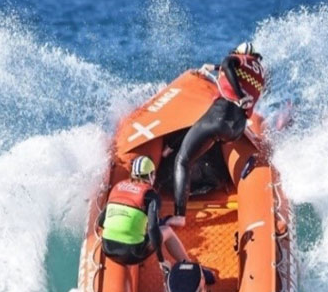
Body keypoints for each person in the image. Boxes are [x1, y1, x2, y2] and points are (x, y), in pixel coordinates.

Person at [169, 42, 265, 226]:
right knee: (207, 141)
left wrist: (238, 94)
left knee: (182, 160)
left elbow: (228, 64)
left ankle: (179, 216)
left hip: (220, 116)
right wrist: (212, 68)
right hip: (236, 128)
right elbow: (231, 70)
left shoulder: (236, 59)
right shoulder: (258, 72)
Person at [99, 155, 189, 269]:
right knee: (167, 230)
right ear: (151, 175)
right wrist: (161, 260)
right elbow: (152, 229)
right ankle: (188, 263)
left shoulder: (117, 187)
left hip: (107, 249)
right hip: (132, 254)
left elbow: (101, 222)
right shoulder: (151, 196)